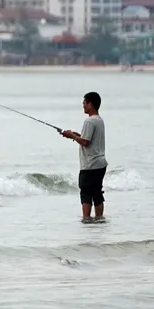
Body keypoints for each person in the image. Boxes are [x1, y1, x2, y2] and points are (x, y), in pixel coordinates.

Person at [61, 92, 107, 220]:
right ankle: (99, 219)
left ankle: (86, 221)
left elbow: (85, 142)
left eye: (84, 104)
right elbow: (87, 138)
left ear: (90, 104)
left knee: (86, 194)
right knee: (97, 193)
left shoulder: (89, 121)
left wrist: (72, 136)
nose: (83, 106)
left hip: (90, 165)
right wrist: (75, 134)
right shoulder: (99, 120)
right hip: (100, 163)